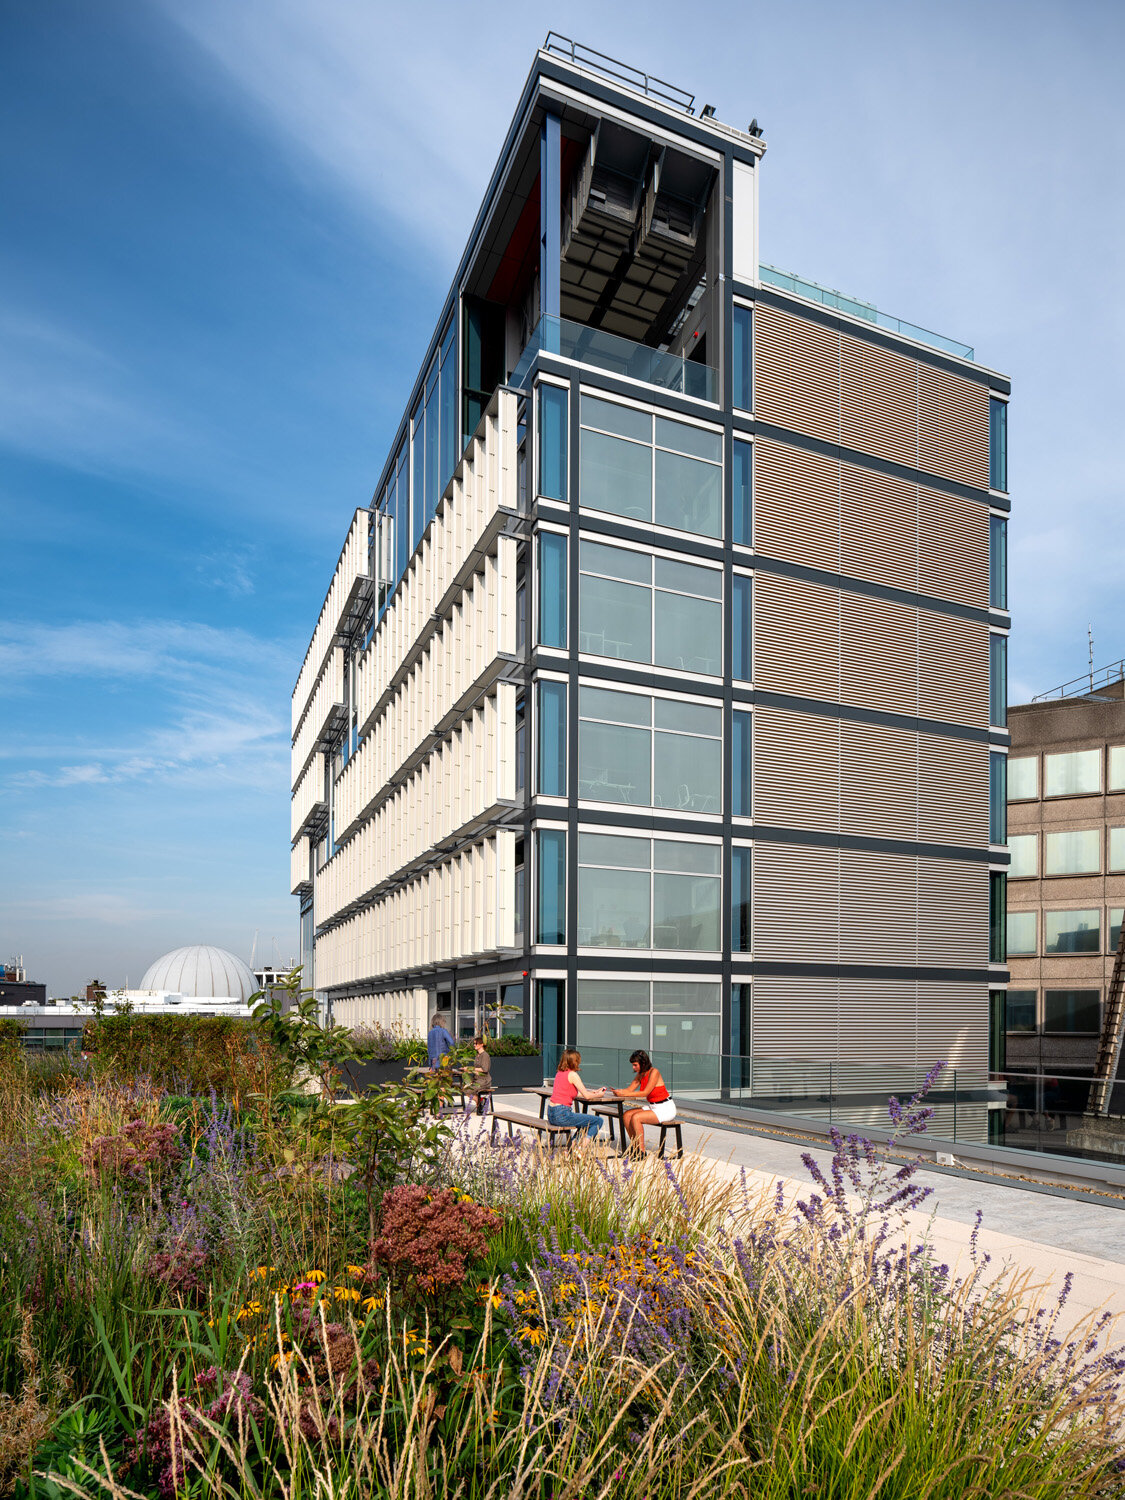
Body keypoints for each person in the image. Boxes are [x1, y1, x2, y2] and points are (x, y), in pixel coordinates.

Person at [610, 1049, 675, 1155]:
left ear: (643, 1063)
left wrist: (624, 1094)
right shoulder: (640, 1074)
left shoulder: (654, 1072)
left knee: (636, 1117)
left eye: (635, 1065)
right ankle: (635, 1146)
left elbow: (645, 1093)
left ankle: (641, 1151)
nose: (633, 1068)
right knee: (626, 1115)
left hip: (665, 1108)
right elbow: (629, 1090)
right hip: (653, 1107)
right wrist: (619, 1091)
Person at [547, 1049, 607, 1140]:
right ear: (575, 1061)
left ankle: (573, 1146)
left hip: (551, 1113)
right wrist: (599, 1095)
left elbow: (571, 1093)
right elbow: (587, 1096)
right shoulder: (573, 1075)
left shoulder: (559, 1073)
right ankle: (581, 1148)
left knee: (584, 1121)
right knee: (598, 1121)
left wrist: (593, 1092)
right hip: (562, 1114)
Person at [462, 1035, 493, 1116]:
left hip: (484, 1080)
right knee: (464, 1088)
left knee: (468, 1090)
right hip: (476, 1079)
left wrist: (471, 1068)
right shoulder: (477, 1055)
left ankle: (480, 1103)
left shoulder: (485, 1055)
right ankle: (480, 1102)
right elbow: (476, 1069)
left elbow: (485, 1069)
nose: (474, 1045)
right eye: (474, 1044)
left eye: (476, 1044)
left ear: (481, 1044)